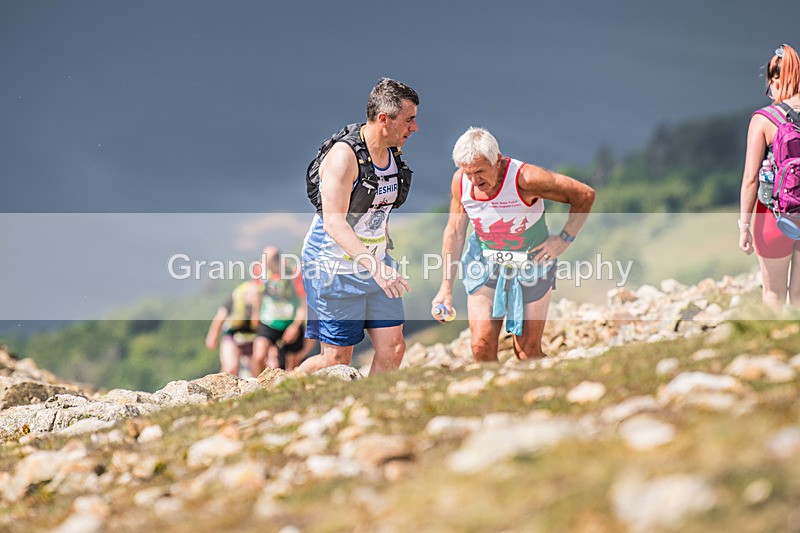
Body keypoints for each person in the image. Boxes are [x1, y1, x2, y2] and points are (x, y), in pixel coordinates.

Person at [432, 127, 595, 362]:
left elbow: (584, 195)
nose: (475, 181)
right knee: (481, 346)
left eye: (480, 171)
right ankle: (492, 398)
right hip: (485, 262)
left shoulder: (525, 178)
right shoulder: (461, 182)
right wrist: (445, 287)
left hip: (532, 263)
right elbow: (455, 232)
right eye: (468, 173)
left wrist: (563, 240)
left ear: (497, 160)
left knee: (527, 351)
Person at [298, 78, 419, 375]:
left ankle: (373, 411)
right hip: (333, 267)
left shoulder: (393, 153)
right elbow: (334, 222)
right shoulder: (343, 157)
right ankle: (281, 387)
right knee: (336, 360)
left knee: (393, 349)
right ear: (383, 120)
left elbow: (378, 204)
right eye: (409, 120)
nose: (414, 128)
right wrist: (376, 267)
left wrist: (381, 251)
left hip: (375, 264)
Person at [739, 44, 800, 307]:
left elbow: (751, 179)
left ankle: (773, 346)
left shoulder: (764, 119)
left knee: (773, 294)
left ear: (776, 80)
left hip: (774, 218)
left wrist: (744, 226)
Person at [252, 246, 313, 373]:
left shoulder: (294, 273)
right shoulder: (261, 271)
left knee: (292, 364)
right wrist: (255, 314)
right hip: (269, 321)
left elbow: (303, 304)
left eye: (267, 263)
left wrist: (295, 326)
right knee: (259, 356)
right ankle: (263, 386)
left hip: (290, 322)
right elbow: (258, 293)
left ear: (276, 262)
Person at [206, 273, 263, 376]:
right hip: (233, 336)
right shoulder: (236, 295)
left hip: (253, 339)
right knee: (231, 368)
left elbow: (257, 324)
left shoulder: (265, 300)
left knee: (257, 371)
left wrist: (256, 308)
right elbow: (220, 316)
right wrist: (212, 336)